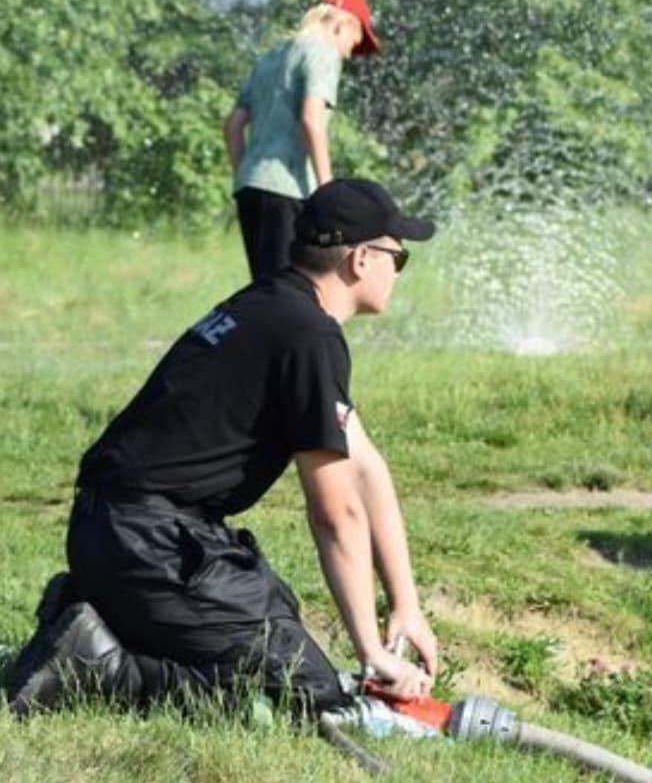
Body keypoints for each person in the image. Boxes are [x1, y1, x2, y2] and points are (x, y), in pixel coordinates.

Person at [5, 178, 437, 720]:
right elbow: (336, 513)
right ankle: (102, 668)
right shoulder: (307, 334)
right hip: (148, 543)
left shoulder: (274, 304)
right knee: (305, 693)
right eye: (399, 258)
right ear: (361, 258)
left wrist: (405, 606)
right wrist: (370, 650)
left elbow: (366, 467)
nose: (398, 272)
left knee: (278, 612)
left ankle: (92, 616)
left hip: (117, 533)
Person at [224, 0, 380, 279]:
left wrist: (244, 175)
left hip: (250, 186)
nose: (350, 52)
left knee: (267, 285)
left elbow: (233, 126)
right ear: (341, 25)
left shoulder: (270, 57)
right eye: (354, 39)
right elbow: (311, 119)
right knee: (290, 289)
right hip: (289, 188)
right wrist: (327, 189)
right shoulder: (323, 52)